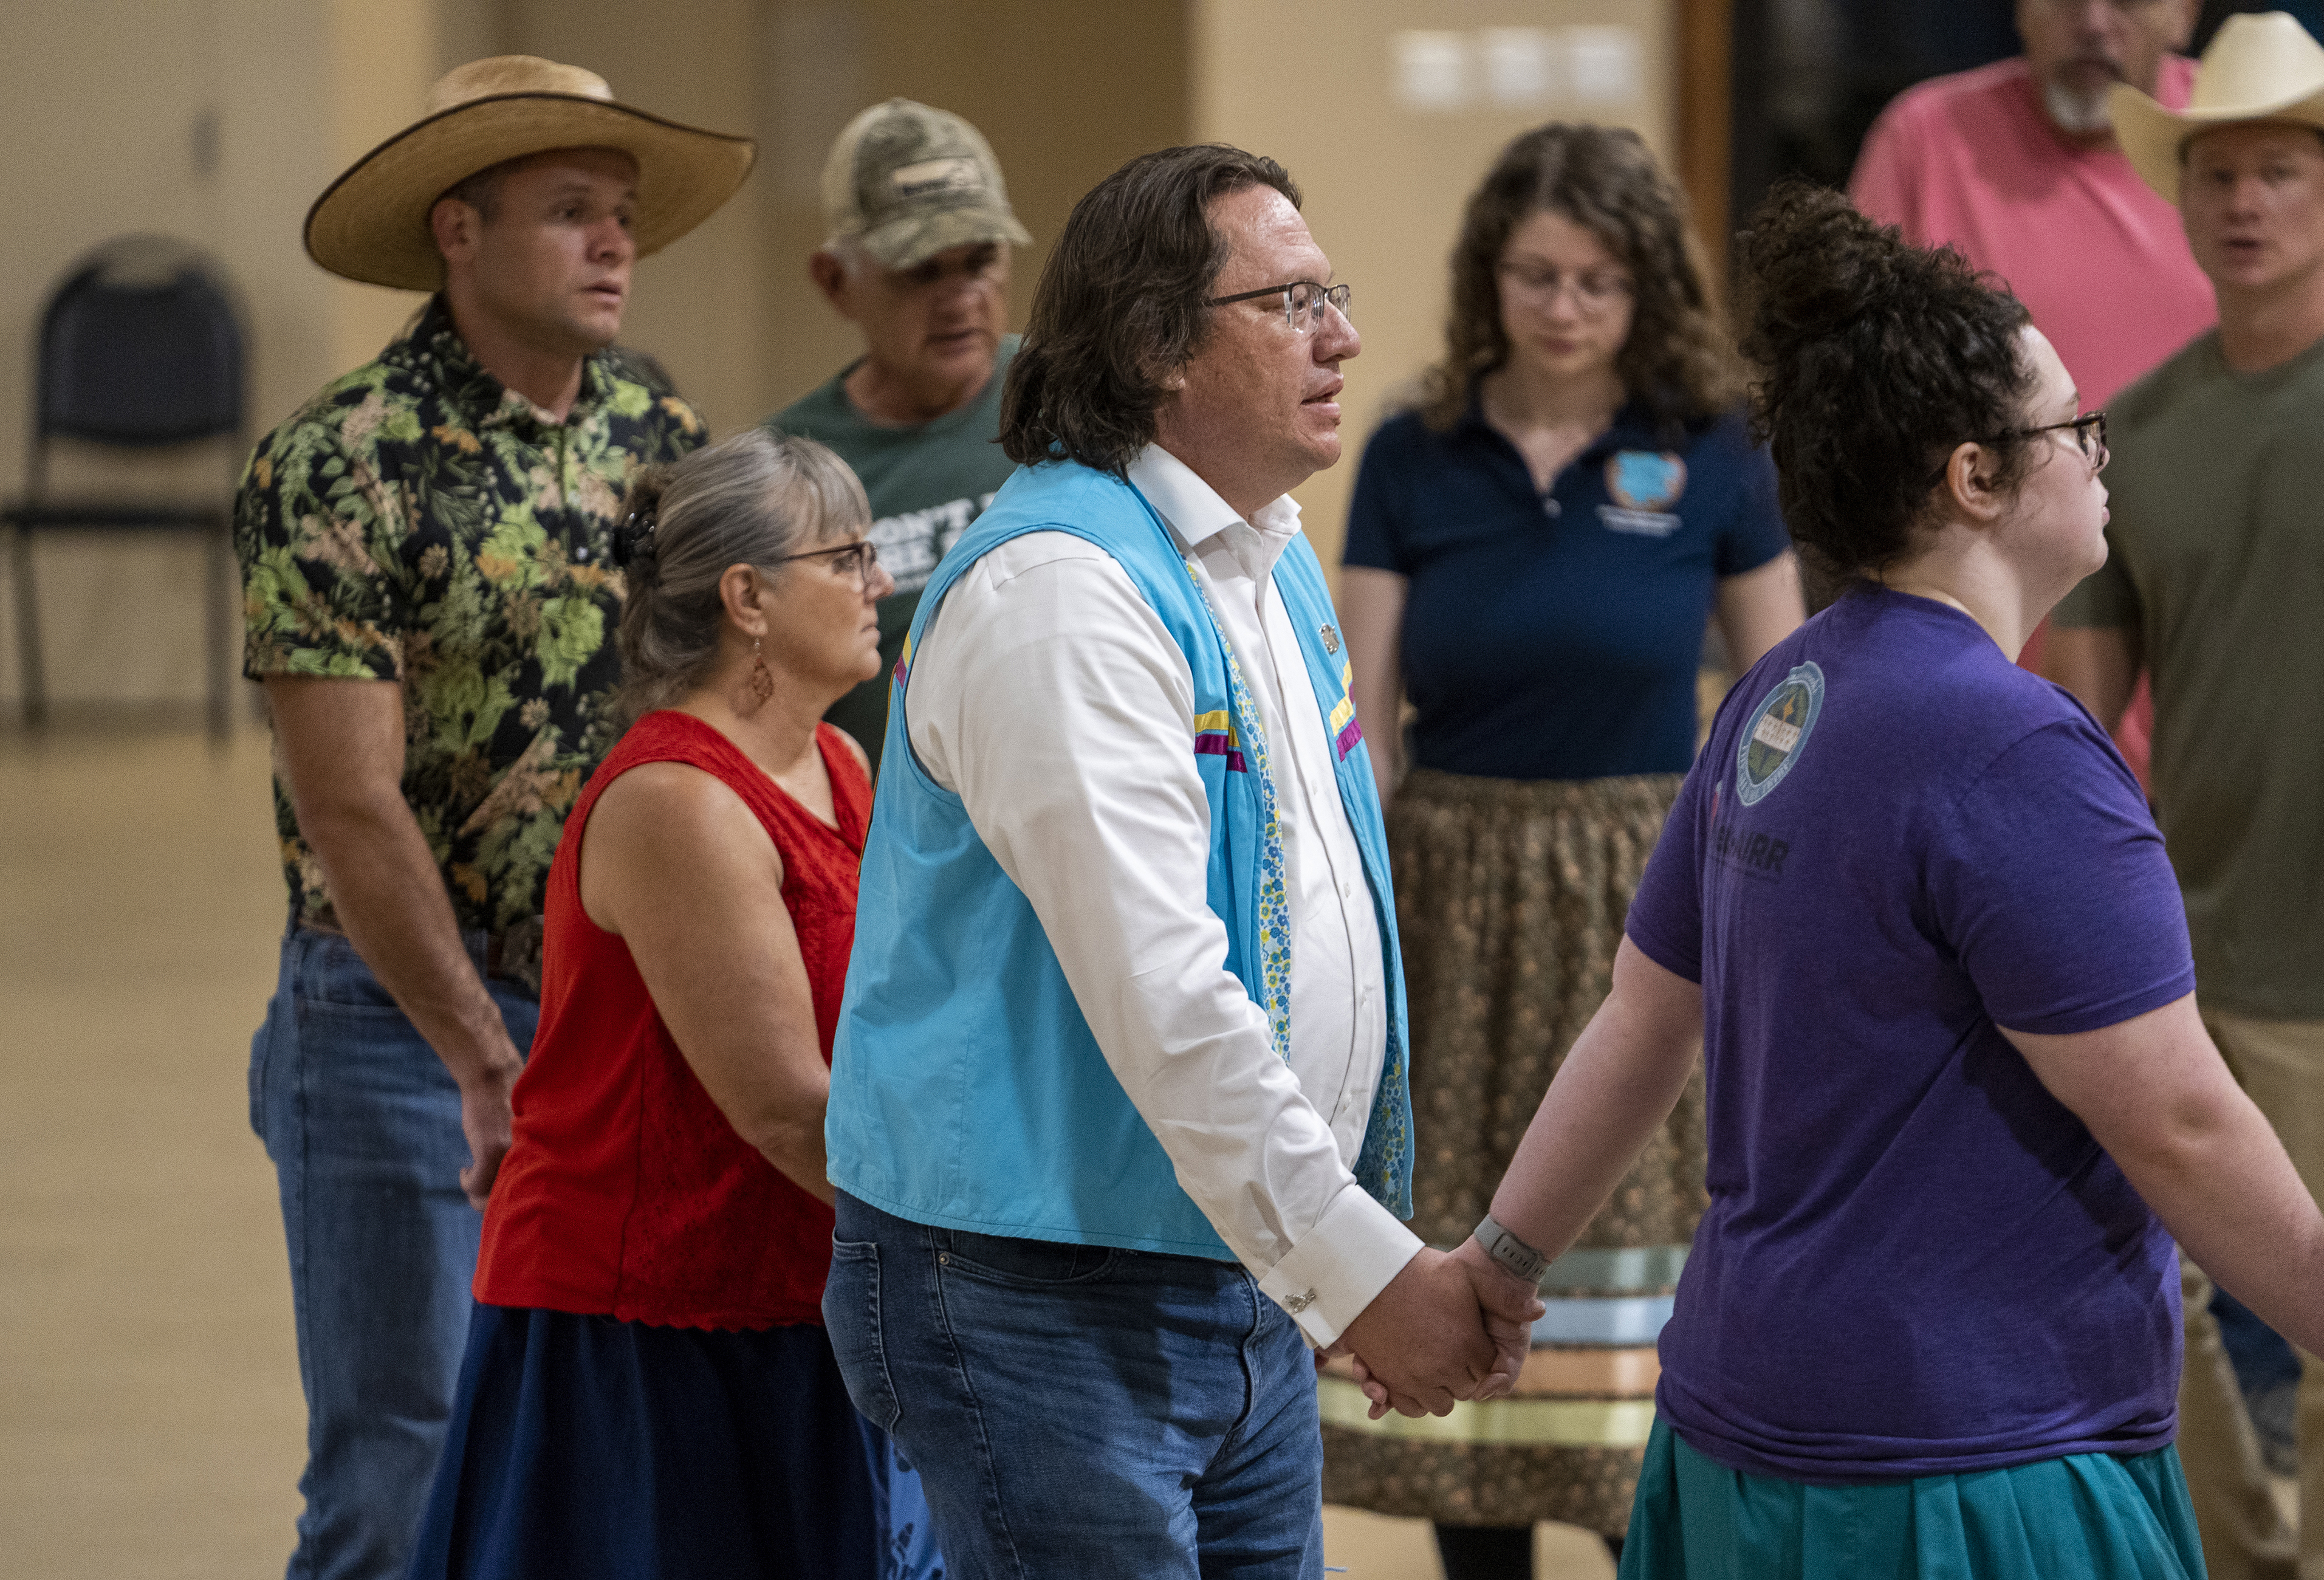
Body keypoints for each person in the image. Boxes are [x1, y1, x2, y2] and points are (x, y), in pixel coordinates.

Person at [1351, 180, 2324, 1577]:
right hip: (1964, 1466)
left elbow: (1641, 1024)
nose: (2097, 450)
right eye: (2072, 424)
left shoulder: (1784, 692)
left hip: (1734, 1430)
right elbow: (2182, 1121)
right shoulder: (2016, 751)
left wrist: (1502, 1261)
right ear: (1975, 476)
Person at [820, 143, 1541, 1579]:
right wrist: (1366, 1273)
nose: (1341, 335)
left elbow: (1322, 908)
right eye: (1289, 304)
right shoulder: (1061, 595)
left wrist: (1336, 1263)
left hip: (1228, 1264)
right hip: (1037, 1294)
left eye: (1330, 294)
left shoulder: (1261, 555)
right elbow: (1169, 998)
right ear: (1154, 349)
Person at [233, 55, 749, 1579]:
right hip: (402, 1027)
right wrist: (481, 1055)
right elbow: (349, 798)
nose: (614, 246)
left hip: (623, 1013)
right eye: (571, 212)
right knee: (404, 1469)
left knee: (603, 1452)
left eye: (624, 216)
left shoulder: (658, 423)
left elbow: (707, 714)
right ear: (458, 232)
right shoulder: (339, 461)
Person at [1325, 123, 1801, 1577]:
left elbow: (1785, 705)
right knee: (1474, 1216)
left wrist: (1769, 901)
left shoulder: (1710, 452)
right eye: (1536, 275)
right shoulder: (1415, 450)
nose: (1565, 307)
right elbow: (1365, 714)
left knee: (1643, 1245)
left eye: (1598, 279)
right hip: (1456, 885)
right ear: (1490, 280)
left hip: (1643, 887)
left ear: (1645, 287)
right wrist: (1362, 911)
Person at [405, 430, 937, 1579]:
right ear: (747, 596)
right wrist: (973, 1260)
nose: (879, 584)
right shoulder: (678, 801)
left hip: (793, 1292)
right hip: (647, 1329)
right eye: (845, 558)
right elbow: (789, 1112)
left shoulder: (839, 764)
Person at [2046, 13, 2324, 1575]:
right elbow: (2073, 723)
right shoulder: (2139, 435)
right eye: (2218, 172)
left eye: (2282, 172)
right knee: (2128, 1296)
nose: (2245, 200)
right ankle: (2233, 1555)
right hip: (2173, 951)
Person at [1849, 0, 2324, 790]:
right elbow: (1850, 428)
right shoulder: (1924, 139)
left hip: (2249, 712)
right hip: (1977, 702)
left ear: (2182, 13)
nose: (2094, 22)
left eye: (2126, 1)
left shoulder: (2265, 133)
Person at [766, 98, 1030, 764]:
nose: (961, 296)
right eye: (921, 270)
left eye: (979, 261)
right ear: (836, 282)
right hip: (886, 849)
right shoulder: (786, 470)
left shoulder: (1073, 395)